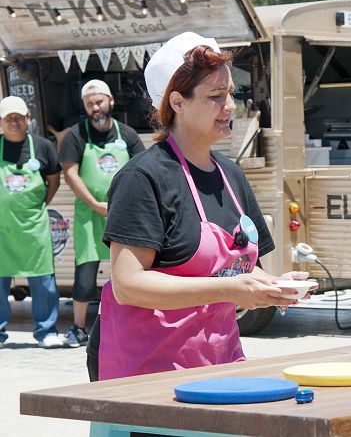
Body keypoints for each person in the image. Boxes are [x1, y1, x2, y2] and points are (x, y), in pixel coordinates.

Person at [92, 32, 312, 380]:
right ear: (177, 102)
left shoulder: (231, 175)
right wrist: (229, 290)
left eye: (230, 94)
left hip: (220, 366)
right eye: (215, 96)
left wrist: (273, 286)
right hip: (150, 376)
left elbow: (236, 272)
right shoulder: (143, 178)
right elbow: (128, 285)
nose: (230, 106)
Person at [59, 79, 145, 348]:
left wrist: (123, 204)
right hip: (89, 215)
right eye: (89, 104)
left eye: (99, 101)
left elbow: (142, 169)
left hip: (123, 214)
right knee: (85, 272)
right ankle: (77, 327)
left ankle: (139, 322)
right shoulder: (75, 135)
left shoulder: (128, 134)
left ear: (111, 102)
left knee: (133, 269)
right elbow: (70, 173)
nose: (95, 107)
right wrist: (96, 204)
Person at [0, 96, 64, 348]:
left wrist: (37, 206)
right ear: (1, 122)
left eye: (19, 117)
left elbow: (54, 181)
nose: (14, 122)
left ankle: (46, 331)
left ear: (28, 120)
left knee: (44, 282)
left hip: (34, 227)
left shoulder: (43, 146)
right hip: (2, 229)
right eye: (8, 118)